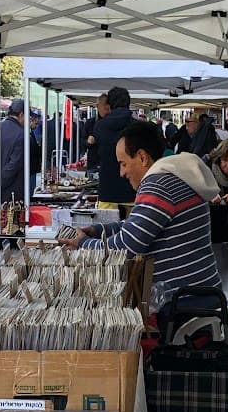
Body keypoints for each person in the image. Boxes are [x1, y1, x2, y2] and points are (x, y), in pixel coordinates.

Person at [69, 120, 220, 307]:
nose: (122, 172)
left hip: (184, 300)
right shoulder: (174, 176)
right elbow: (136, 227)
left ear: (142, 157)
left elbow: (127, 246)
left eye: (123, 163)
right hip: (200, 289)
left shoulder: (158, 184)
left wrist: (83, 243)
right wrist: (98, 230)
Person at [90, 87, 137, 204]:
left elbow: (95, 157)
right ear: (128, 103)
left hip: (107, 192)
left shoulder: (99, 126)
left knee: (105, 223)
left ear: (109, 105)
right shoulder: (139, 127)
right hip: (133, 192)